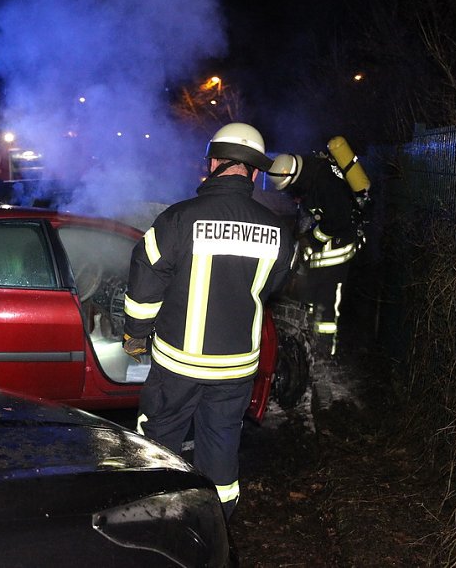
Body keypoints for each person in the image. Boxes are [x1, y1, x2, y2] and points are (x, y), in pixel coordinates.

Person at [122, 122, 295, 524]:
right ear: (254, 172)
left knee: (159, 444)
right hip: (236, 369)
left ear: (214, 162)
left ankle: (157, 523)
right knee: (220, 445)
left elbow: (144, 285)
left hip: (178, 365)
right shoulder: (278, 232)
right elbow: (271, 287)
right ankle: (214, 528)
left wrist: (135, 336)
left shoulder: (178, 220)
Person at [268, 150, 362, 357]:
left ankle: (327, 352)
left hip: (338, 250)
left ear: (293, 177)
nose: (290, 193)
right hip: (324, 251)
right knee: (312, 294)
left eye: (289, 188)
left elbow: (338, 220)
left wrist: (311, 238)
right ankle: (310, 339)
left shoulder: (325, 183)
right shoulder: (310, 179)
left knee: (328, 302)